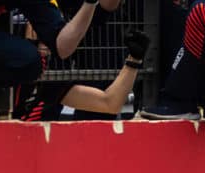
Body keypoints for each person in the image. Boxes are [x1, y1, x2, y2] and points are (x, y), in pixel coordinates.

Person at [16, 30, 151, 121]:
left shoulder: (51, 82)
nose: (45, 47)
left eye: (49, 41)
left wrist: (134, 60)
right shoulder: (4, 66)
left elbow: (109, 103)